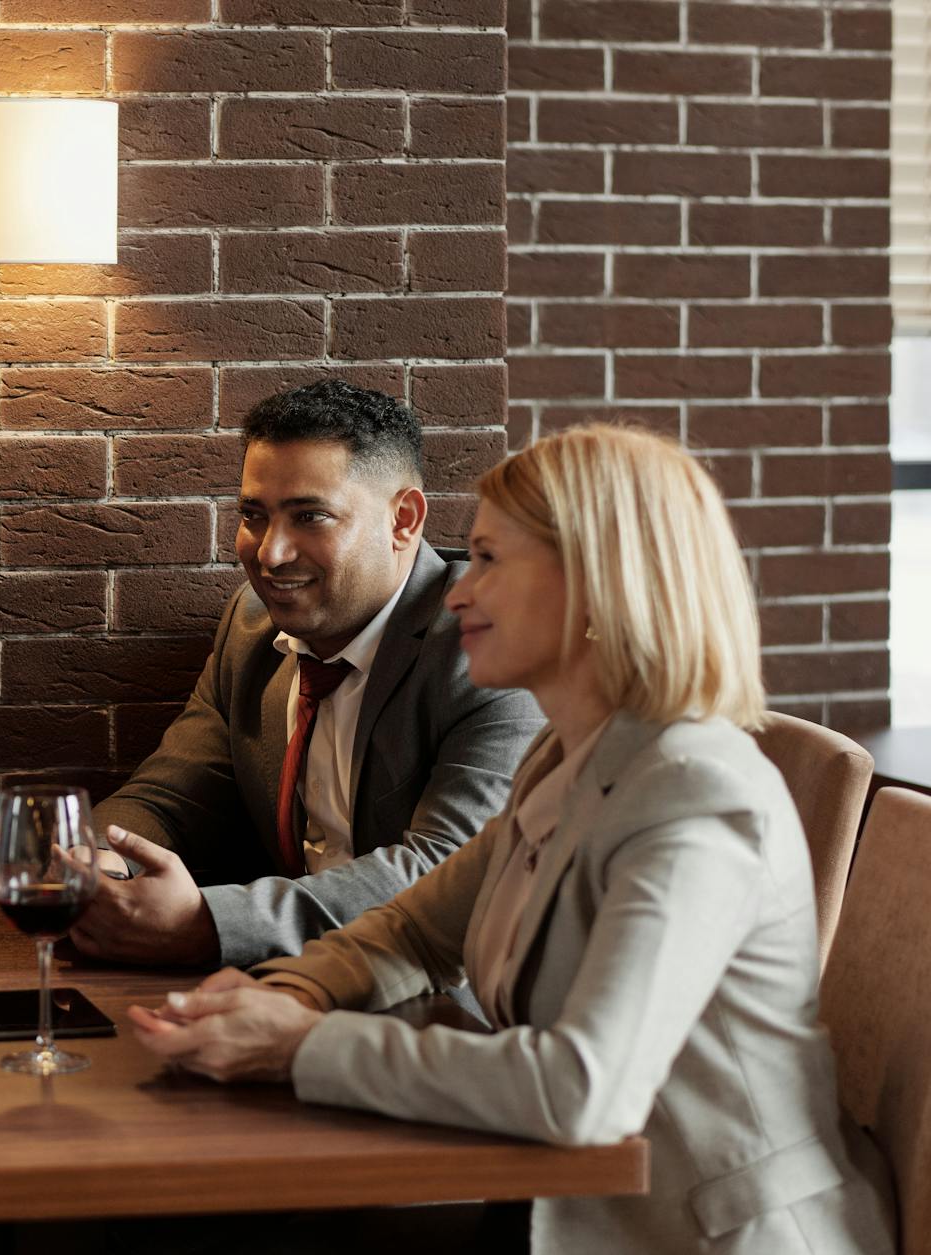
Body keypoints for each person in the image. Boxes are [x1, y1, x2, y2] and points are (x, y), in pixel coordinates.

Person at [131, 425, 897, 1254]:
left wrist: (303, 1047)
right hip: (562, 1206)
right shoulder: (567, 754)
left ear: (599, 582)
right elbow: (419, 927)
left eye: (491, 560)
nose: (457, 593)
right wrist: (290, 992)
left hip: (706, 1236)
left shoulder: (695, 799)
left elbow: (582, 1092)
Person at [73, 381, 543, 971]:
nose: (269, 555)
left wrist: (209, 925)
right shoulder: (249, 627)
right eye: (253, 515)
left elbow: (448, 872)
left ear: (403, 520)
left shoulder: (487, 645)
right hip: (284, 985)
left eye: (310, 517)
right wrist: (100, 866)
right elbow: (168, 796)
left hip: (442, 1001)